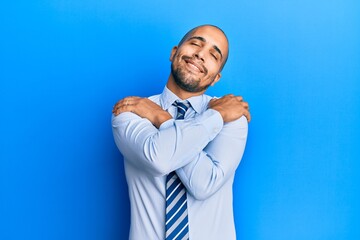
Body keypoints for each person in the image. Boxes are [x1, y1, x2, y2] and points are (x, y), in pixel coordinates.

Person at [112, 24, 250, 240]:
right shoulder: (131, 111)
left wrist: (162, 119)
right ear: (174, 52)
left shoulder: (232, 117)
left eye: (213, 55)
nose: (200, 55)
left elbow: (204, 184)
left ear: (216, 78)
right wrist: (216, 117)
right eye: (195, 43)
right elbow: (160, 158)